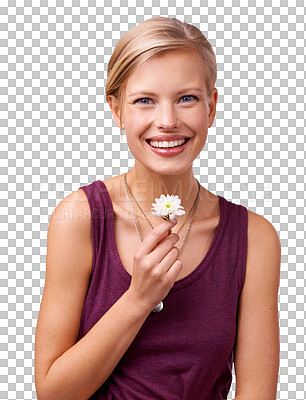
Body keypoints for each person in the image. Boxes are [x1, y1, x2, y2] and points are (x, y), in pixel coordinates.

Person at [34, 16, 281, 400]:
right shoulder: (81, 218)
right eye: (144, 101)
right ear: (116, 110)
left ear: (211, 107)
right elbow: (53, 393)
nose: (167, 122)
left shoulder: (254, 238)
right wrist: (139, 298)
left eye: (187, 98)